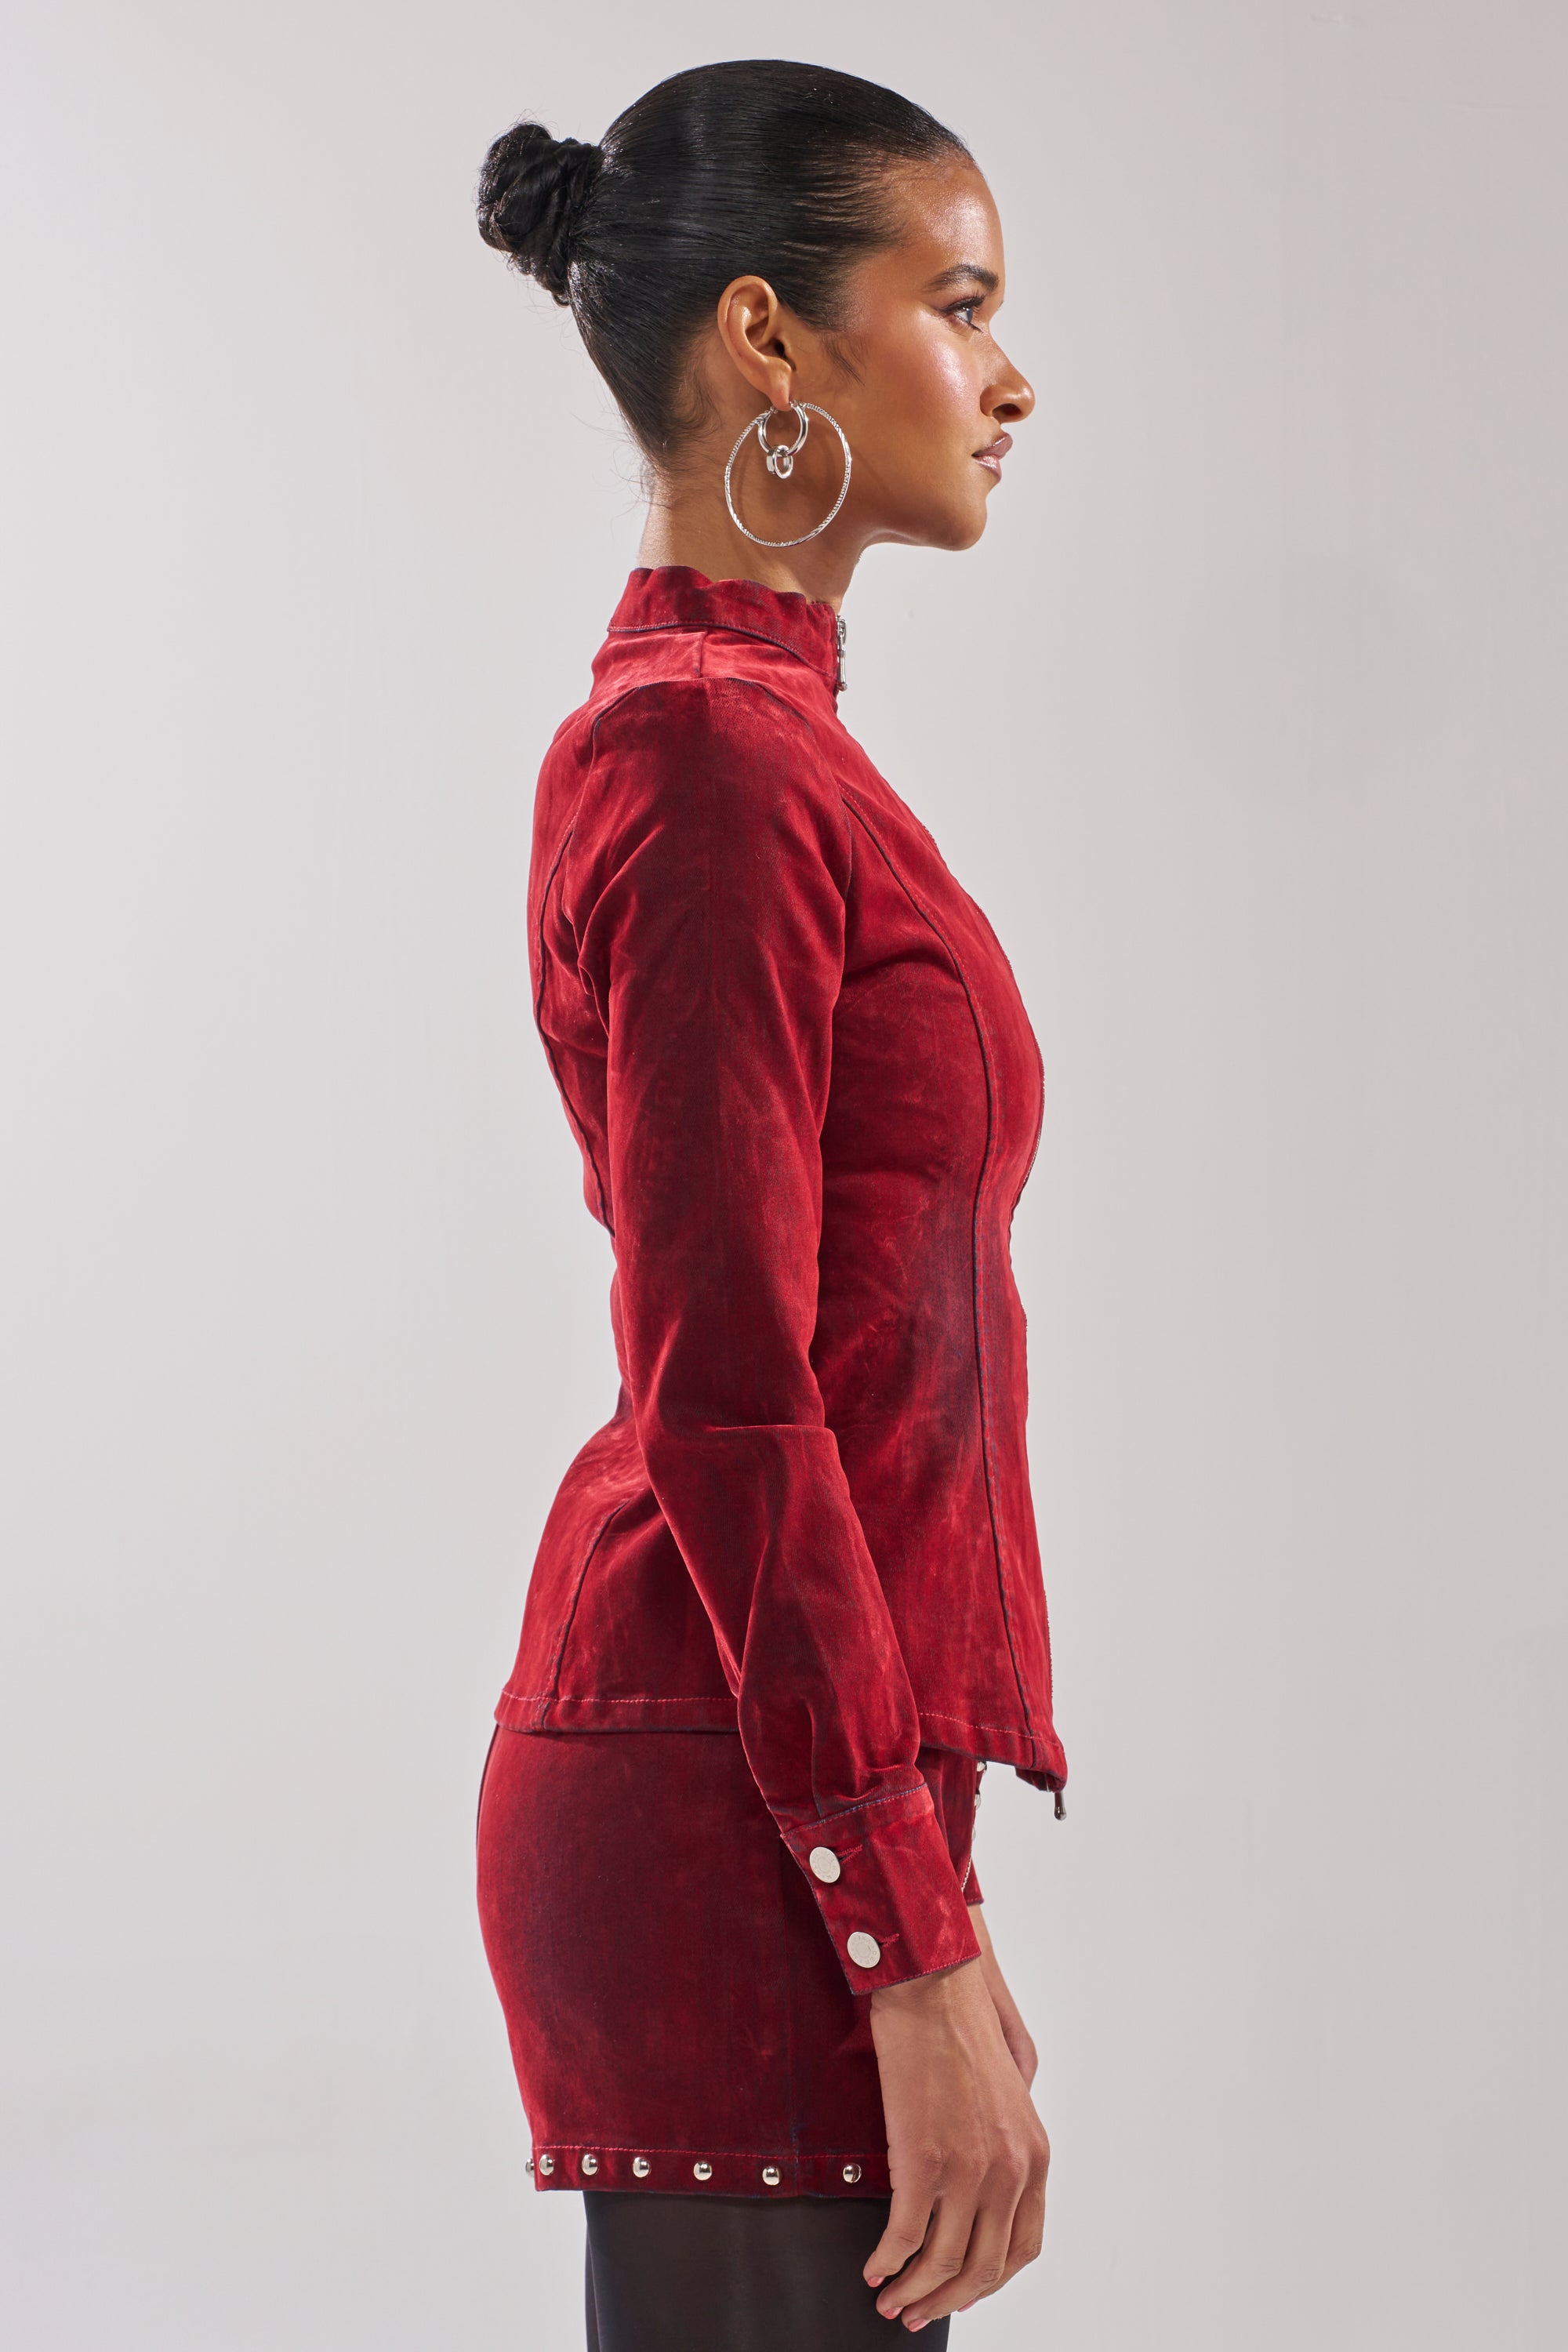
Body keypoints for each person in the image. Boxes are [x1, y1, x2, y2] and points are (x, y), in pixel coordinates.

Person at [472, 60, 1068, 2350]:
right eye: (960, 304)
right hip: (738, 1801)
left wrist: (923, 1898)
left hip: (800, 1780)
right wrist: (901, 1935)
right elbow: (728, 1393)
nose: (1010, 378)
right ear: (768, 338)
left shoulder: (770, 745)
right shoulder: (706, 755)